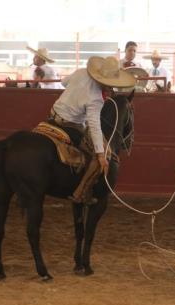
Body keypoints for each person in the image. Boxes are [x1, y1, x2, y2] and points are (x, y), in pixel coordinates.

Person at [50, 56, 136, 203]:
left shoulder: (81, 72)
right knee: (98, 159)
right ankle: (80, 193)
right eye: (110, 84)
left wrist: (76, 91)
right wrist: (101, 154)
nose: (110, 88)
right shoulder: (96, 98)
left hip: (52, 115)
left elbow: (63, 82)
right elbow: (94, 125)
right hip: (72, 125)